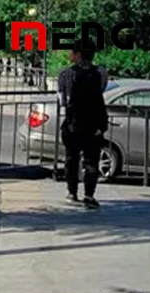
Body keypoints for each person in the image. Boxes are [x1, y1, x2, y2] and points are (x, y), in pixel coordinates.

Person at [57, 40, 108, 209]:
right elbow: (101, 93)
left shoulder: (65, 74)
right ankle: (89, 195)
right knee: (91, 161)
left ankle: (72, 192)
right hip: (93, 124)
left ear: (78, 54)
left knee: (72, 159)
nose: (69, 54)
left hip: (73, 124)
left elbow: (63, 100)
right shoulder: (101, 73)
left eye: (71, 51)